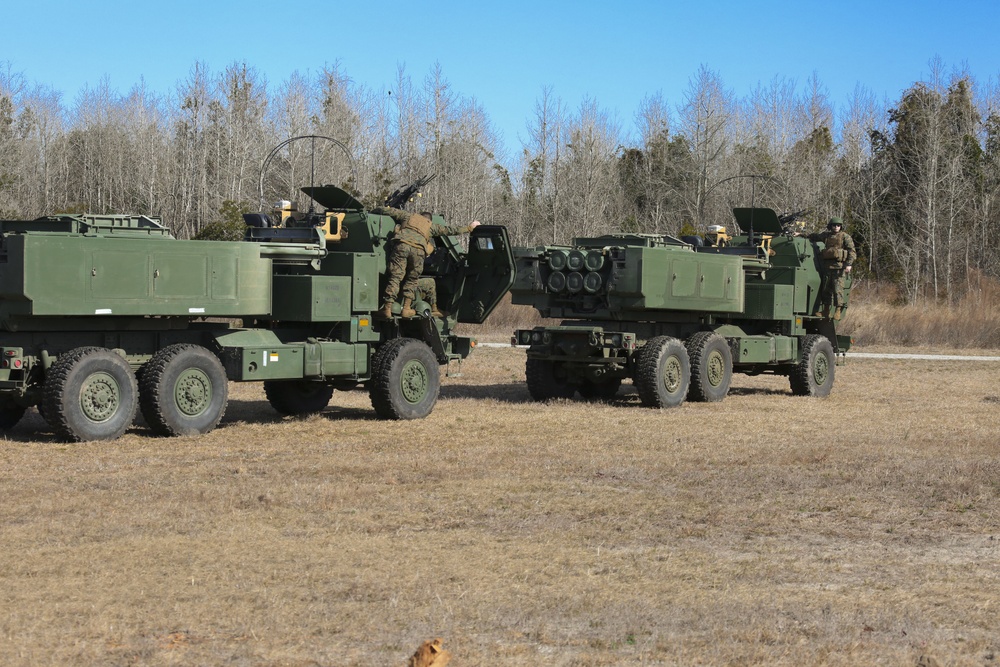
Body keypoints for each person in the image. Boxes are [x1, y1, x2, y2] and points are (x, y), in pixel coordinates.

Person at [372, 206, 480, 318]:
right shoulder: (431, 226)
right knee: (412, 279)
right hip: (419, 251)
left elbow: (389, 210)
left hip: (402, 245)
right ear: (429, 220)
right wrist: (469, 228)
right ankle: (406, 309)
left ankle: (387, 308)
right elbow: (450, 230)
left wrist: (375, 209)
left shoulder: (408, 216)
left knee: (395, 277)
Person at [795, 217, 856, 320]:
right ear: (830, 226)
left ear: (840, 226)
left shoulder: (845, 237)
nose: (836, 227)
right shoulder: (826, 236)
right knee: (826, 290)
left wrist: (849, 264)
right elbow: (814, 236)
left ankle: (838, 310)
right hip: (827, 267)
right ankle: (826, 310)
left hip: (839, 268)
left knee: (838, 290)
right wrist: (800, 234)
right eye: (834, 225)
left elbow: (852, 252)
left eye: (838, 225)